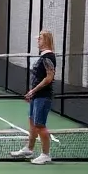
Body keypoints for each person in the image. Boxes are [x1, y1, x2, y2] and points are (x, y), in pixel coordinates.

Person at [10, 30, 57, 164]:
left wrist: (34, 91)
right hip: (36, 95)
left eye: (40, 39)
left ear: (46, 40)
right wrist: (32, 92)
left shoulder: (48, 57)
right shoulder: (43, 57)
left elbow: (49, 78)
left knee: (40, 125)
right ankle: (29, 149)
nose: (38, 41)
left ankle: (46, 154)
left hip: (43, 96)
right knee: (32, 122)